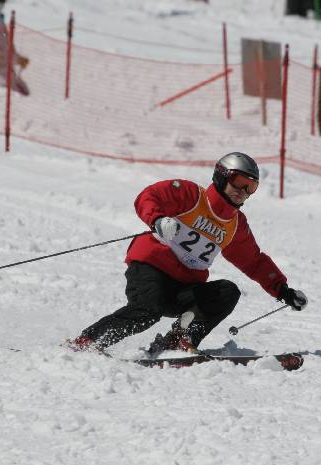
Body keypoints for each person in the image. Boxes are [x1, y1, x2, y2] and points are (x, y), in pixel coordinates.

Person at [69, 152, 308, 355]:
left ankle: (178, 341)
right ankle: (88, 341)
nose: (243, 191)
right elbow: (148, 197)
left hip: (183, 288)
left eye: (251, 187)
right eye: (239, 182)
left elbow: (253, 261)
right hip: (150, 270)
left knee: (227, 292)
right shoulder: (191, 196)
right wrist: (158, 219)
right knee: (148, 310)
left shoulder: (235, 225)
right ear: (222, 175)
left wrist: (283, 290)